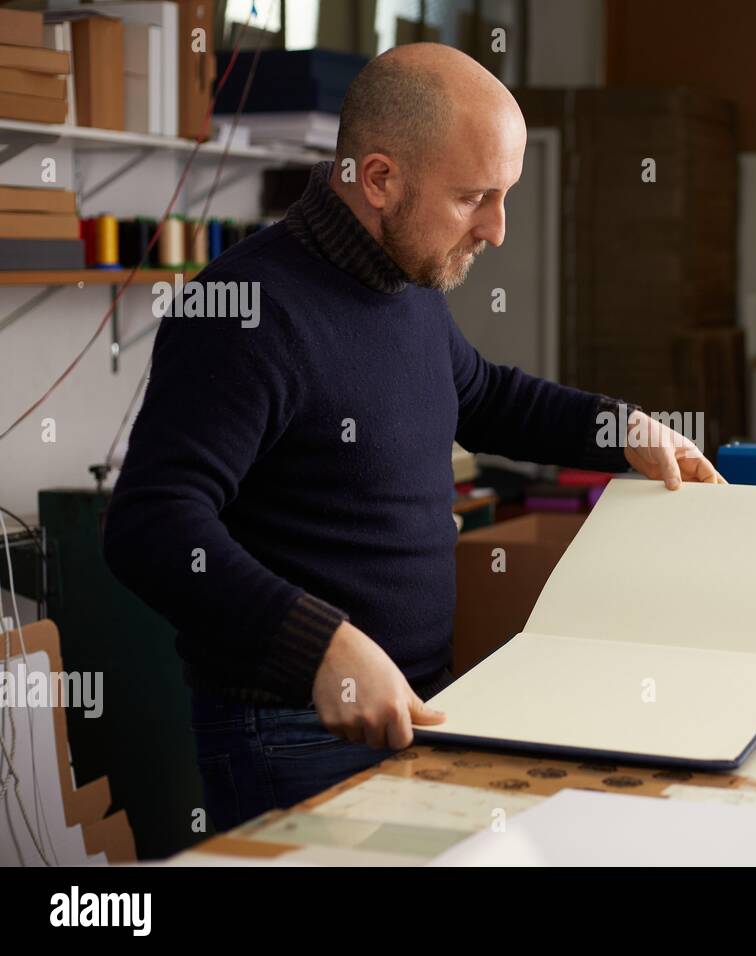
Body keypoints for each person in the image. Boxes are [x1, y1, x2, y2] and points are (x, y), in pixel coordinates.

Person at [103, 43, 722, 832]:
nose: (496, 230)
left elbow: (483, 394)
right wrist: (320, 644)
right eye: (474, 198)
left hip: (422, 703)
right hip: (297, 731)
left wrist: (623, 428)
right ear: (381, 178)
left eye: (504, 197)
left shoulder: (405, 280)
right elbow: (150, 525)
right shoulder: (241, 310)